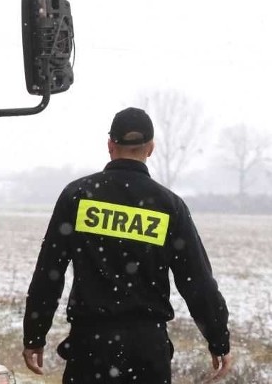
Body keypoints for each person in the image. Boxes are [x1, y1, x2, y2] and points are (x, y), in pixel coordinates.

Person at [21, 107, 233, 383]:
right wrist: (218, 339)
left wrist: (35, 335)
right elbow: (197, 281)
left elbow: (49, 271)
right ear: (151, 148)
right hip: (147, 350)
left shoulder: (78, 196)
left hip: (89, 347)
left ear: (110, 146)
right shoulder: (169, 206)